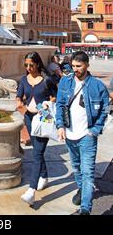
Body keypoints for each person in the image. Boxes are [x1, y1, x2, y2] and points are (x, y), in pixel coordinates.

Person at [56, 51, 109, 215]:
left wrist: (94, 131)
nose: (75, 69)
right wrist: (60, 126)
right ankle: (81, 190)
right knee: (77, 168)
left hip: (87, 137)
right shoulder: (65, 82)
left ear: (87, 65)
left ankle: (86, 208)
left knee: (88, 172)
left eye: (79, 66)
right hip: (70, 135)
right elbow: (59, 105)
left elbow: (105, 109)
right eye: (73, 66)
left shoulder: (97, 85)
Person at [16, 51, 57, 206]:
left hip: (44, 116)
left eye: (31, 65)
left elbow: (55, 95)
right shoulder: (24, 79)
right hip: (29, 117)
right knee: (37, 151)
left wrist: (47, 104)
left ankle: (31, 190)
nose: (28, 68)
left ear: (38, 64)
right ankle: (44, 176)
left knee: (37, 153)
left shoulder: (47, 80)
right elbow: (19, 95)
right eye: (26, 65)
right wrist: (19, 101)